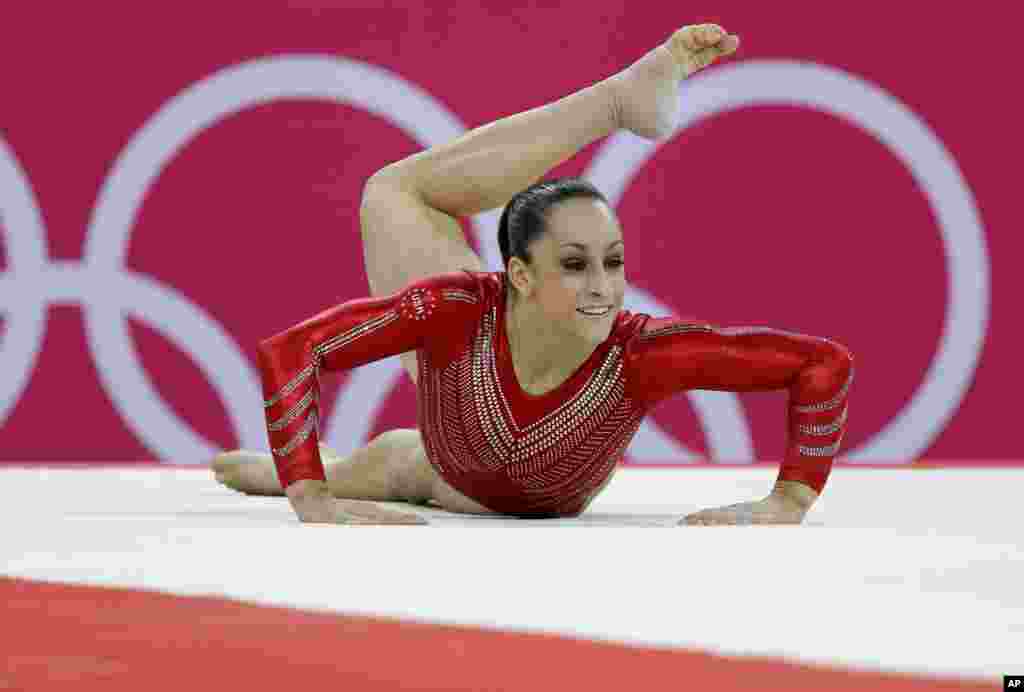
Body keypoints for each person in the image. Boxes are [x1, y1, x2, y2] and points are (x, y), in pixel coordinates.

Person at [213, 23, 854, 526]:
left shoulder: (640, 356)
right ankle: (613, 101)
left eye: (613, 261)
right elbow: (293, 350)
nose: (602, 286)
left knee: (396, 196)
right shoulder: (456, 309)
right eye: (574, 266)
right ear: (518, 276)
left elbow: (822, 364)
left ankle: (616, 101)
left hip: (437, 463)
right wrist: (305, 492)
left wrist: (788, 500)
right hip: (434, 466)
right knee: (389, 196)